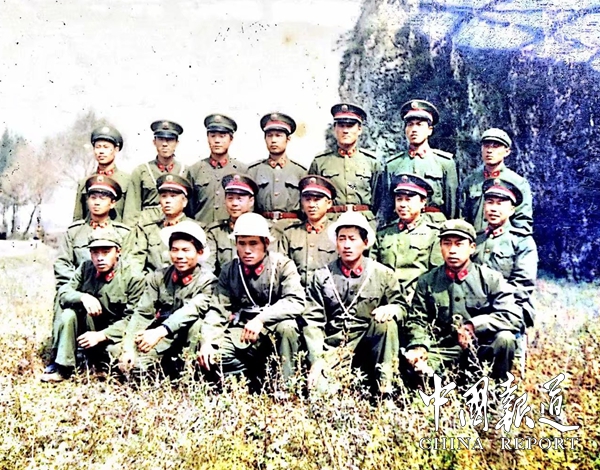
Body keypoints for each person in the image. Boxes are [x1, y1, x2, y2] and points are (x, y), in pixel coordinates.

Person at [404, 219, 523, 382]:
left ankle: (497, 389)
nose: (452, 250)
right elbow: (417, 320)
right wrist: (419, 346)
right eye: (447, 244)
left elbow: (513, 316)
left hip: (481, 348)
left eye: (459, 244)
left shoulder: (491, 279)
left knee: (505, 339)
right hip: (444, 350)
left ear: (472, 248)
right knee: (414, 368)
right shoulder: (427, 281)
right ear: (440, 247)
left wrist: (474, 326)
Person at [303, 212, 405, 396]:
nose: (347, 245)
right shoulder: (322, 276)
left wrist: (392, 309)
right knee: (320, 395)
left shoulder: (382, 274)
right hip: (335, 350)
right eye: (342, 239)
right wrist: (317, 360)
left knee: (387, 323)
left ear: (365, 243)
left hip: (369, 347)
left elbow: (401, 307)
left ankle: (385, 389)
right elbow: (313, 321)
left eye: (352, 239)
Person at [198, 213, 305, 387]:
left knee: (287, 327)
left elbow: (296, 301)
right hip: (243, 332)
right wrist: (208, 341)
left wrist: (261, 319)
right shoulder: (229, 270)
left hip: (273, 329)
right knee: (214, 354)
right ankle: (248, 383)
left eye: (253, 243)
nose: (247, 250)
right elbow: (218, 310)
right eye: (242, 243)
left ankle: (286, 388)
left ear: (266, 243)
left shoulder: (283, 265)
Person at [118, 221, 221, 377]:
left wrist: (159, 332)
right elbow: (143, 313)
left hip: (187, 339)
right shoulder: (158, 277)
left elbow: (191, 310)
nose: (179, 256)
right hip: (163, 338)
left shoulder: (208, 282)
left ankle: (189, 372)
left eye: (186, 250)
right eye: (175, 250)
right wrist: (128, 348)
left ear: (199, 252)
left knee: (196, 324)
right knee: (133, 365)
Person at [41, 231, 145, 382]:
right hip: (90, 326)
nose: (100, 258)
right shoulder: (86, 268)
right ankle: (63, 368)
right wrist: (83, 297)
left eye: (106, 252)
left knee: (116, 357)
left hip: (115, 334)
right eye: (95, 252)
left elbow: (133, 319)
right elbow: (64, 292)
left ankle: (94, 363)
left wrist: (101, 335)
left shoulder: (133, 277)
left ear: (118, 252)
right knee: (68, 315)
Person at [473, 179, 538, 328]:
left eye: (500, 203)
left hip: (509, 307)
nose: (493, 209)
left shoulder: (522, 241)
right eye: (490, 202)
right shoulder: (476, 239)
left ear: (512, 210)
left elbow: (523, 285)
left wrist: (493, 302)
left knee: (504, 338)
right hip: (475, 306)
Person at [382, 99, 458, 222]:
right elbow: (388, 209)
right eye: (410, 124)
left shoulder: (445, 163)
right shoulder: (393, 165)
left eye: (419, 124)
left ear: (430, 130)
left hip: (435, 226)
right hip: (404, 227)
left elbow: (452, 208)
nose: (414, 129)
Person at [309, 103, 381, 226]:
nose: (345, 131)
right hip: (331, 221)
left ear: (359, 129)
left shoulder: (371, 162)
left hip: (364, 221)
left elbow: (377, 198)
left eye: (350, 126)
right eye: (341, 126)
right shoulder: (320, 162)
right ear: (334, 129)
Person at [375, 174, 443, 302]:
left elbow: (437, 275)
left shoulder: (434, 234)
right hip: (386, 300)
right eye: (399, 199)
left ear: (423, 202)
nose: (402, 204)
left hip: (418, 300)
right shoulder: (383, 234)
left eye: (408, 199)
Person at [460, 128, 533, 234]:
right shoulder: (471, 181)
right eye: (486, 146)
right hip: (476, 240)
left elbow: (523, 222)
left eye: (496, 146)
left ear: (507, 152)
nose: (489, 150)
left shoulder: (518, 183)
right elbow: (462, 216)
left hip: (505, 241)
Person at [123, 174, 198, 275]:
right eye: (164, 196)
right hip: (152, 280)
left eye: (173, 196)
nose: (168, 201)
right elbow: (136, 260)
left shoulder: (195, 229)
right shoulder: (148, 229)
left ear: (184, 201)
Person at [186, 114, 248, 225]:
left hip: (231, 231)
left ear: (231, 139)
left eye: (222, 136)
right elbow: (189, 208)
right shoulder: (195, 170)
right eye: (213, 136)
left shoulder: (242, 170)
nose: (217, 141)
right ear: (207, 138)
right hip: (202, 230)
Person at [123, 120, 187, 225]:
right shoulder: (141, 171)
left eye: (170, 140)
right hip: (147, 224)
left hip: (177, 224)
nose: (165, 144)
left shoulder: (185, 171)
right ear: (154, 142)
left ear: (177, 143)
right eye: (160, 139)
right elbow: (132, 210)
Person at [279, 175, 338, 288]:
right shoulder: (290, 233)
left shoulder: (338, 233)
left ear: (329, 203)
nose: (311, 205)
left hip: (328, 293)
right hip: (296, 292)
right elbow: (281, 268)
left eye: (317, 200)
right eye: (307, 200)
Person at [248, 112, 306, 225]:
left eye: (278, 135)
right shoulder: (253, 171)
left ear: (288, 139)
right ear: (265, 139)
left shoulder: (300, 172)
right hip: (263, 226)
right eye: (270, 136)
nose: (273, 140)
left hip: (291, 227)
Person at [205, 174, 259, 275]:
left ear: (251, 201)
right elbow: (207, 266)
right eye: (230, 198)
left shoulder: (263, 229)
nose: (234, 203)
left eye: (239, 199)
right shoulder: (216, 232)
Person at [73, 125, 130, 222]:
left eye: (106, 147)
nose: (101, 152)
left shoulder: (127, 181)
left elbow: (130, 218)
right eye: (98, 147)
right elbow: (78, 219)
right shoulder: (84, 183)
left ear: (116, 149)